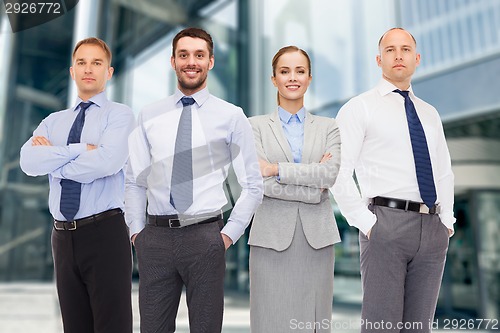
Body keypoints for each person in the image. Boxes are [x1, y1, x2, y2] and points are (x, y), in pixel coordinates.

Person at [125, 27, 263, 333]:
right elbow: (134, 180)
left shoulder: (231, 116)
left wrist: (226, 236)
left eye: (199, 55)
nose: (192, 62)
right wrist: (137, 234)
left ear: (210, 61)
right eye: (184, 55)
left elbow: (253, 184)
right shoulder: (148, 114)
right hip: (156, 238)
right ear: (172, 61)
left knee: (206, 328)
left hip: (206, 238)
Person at [332, 28, 455, 332]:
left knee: (419, 328)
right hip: (386, 223)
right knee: (381, 326)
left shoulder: (430, 113)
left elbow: (443, 171)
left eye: (405, 49)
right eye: (390, 50)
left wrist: (447, 221)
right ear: (379, 59)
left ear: (417, 58)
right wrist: (367, 223)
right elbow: (337, 170)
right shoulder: (359, 108)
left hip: (432, 228)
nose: (398, 55)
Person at [19, 37, 134, 333]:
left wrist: (54, 161)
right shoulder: (52, 121)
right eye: (82, 62)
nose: (88, 69)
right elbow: (29, 163)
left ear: (108, 72)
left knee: (112, 326)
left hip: (104, 233)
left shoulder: (120, 116)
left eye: (97, 63)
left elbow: (107, 162)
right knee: (74, 326)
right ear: (72, 71)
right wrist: (80, 149)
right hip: (62, 237)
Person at [248, 46, 341, 333]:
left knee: (313, 324)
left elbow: (330, 175)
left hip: (317, 241)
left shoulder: (329, 127)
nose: (292, 77)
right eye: (284, 71)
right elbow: (258, 183)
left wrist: (277, 169)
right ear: (273, 79)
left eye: (300, 71)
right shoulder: (254, 127)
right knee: (269, 322)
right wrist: (314, 189)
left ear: (309, 78)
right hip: (270, 239)